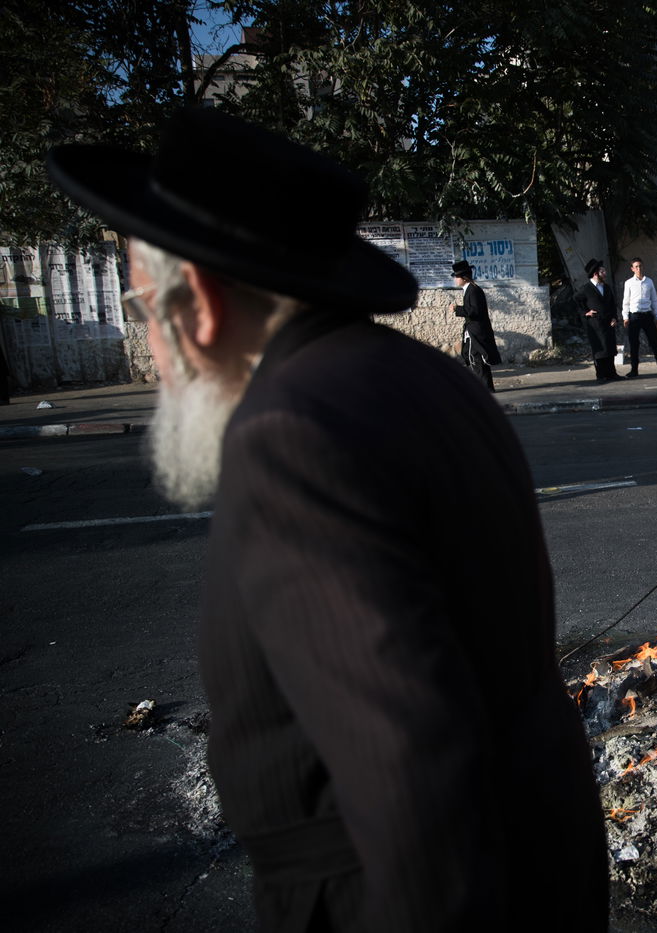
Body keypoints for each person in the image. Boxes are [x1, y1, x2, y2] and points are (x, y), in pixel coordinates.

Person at [46, 108, 608, 932]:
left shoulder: (288, 434)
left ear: (196, 302)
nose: (154, 349)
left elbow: (410, 773)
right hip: (543, 860)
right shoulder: (431, 378)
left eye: (141, 310)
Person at [451, 259, 501, 390]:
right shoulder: (469, 290)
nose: (455, 279)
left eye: (457, 277)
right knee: (470, 355)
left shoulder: (473, 290)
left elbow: (475, 311)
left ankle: (486, 388)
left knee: (476, 358)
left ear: (464, 278)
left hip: (477, 331)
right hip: (472, 330)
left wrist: (457, 309)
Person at [621, 257, 657, 377]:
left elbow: (654, 300)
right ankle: (634, 370)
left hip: (647, 315)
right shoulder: (629, 283)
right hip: (634, 316)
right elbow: (626, 301)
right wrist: (625, 317)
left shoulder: (649, 282)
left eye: (640, 266)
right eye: (636, 266)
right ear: (632, 269)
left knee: (654, 342)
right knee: (634, 343)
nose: (639, 268)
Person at [577, 258, 622, 381]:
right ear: (596, 274)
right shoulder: (586, 288)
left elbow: (613, 304)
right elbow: (576, 301)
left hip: (608, 323)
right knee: (599, 350)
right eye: (603, 271)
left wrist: (614, 317)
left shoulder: (606, 287)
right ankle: (601, 375)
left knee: (610, 348)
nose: (605, 273)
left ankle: (611, 373)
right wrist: (586, 312)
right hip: (595, 325)